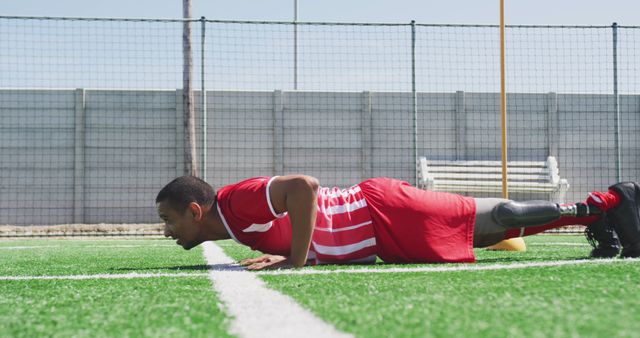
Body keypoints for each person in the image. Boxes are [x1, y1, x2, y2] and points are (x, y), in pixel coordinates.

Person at [155, 175, 640, 270]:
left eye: (169, 220)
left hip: (383, 209)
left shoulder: (234, 201)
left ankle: (609, 200)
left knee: (500, 216)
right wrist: (289, 250)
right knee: (497, 232)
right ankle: (606, 216)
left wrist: (296, 261)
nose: (167, 230)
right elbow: (298, 218)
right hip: (383, 239)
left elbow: (304, 186)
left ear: (195, 211)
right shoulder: (236, 222)